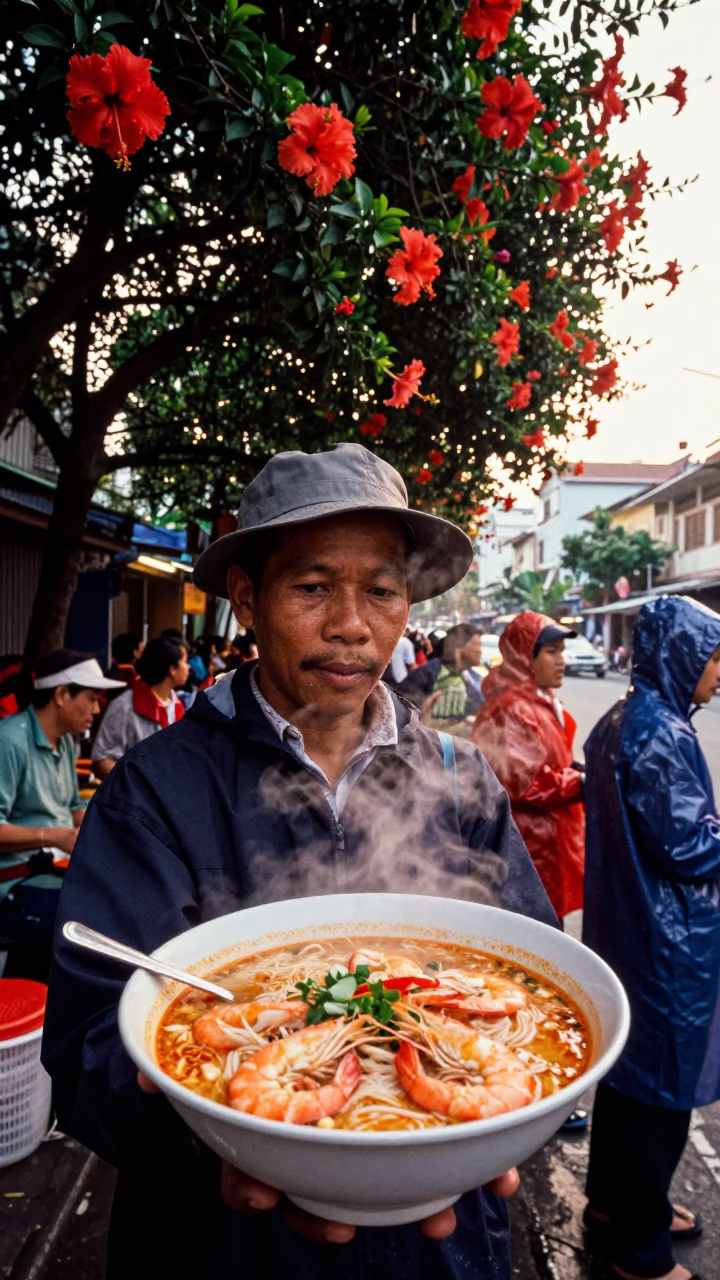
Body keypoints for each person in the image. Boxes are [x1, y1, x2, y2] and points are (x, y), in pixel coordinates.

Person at [43, 442, 556, 1280]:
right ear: (248, 599)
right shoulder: (155, 792)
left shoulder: (460, 778)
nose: (352, 625)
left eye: (381, 591)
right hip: (221, 1247)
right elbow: (88, 1045)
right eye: (313, 587)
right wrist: (211, 1136)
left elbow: (537, 975)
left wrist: (507, 1121)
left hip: (444, 1243)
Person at [582, 596, 720, 1280]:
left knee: (628, 1080)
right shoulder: (662, 732)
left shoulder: (621, 718)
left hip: (629, 930)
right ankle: (639, 1250)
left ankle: (616, 1207)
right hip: (669, 941)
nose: (718, 672)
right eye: (714, 656)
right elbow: (688, 848)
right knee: (662, 1096)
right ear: (682, 655)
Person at [0, 650, 124, 977]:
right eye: (91, 699)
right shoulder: (9, 740)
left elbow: (71, 809)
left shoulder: (66, 742)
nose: (97, 709)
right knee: (93, 921)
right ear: (61, 695)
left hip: (55, 872)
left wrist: (116, 826)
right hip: (14, 881)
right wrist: (55, 836)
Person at [469, 613, 584, 924]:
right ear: (524, 657)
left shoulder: (537, 701)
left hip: (547, 845)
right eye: (552, 652)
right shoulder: (513, 708)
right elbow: (526, 784)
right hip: (530, 849)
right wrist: (580, 781)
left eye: (561, 651)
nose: (561, 661)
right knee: (534, 929)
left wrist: (572, 770)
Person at [91, 636, 189, 779]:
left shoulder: (178, 706)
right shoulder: (124, 706)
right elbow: (103, 759)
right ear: (172, 669)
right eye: (185, 661)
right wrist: (136, 785)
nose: (188, 667)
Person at [397, 623, 484, 734]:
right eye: (477, 644)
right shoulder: (428, 674)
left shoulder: (472, 677)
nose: (480, 650)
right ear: (459, 646)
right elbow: (400, 715)